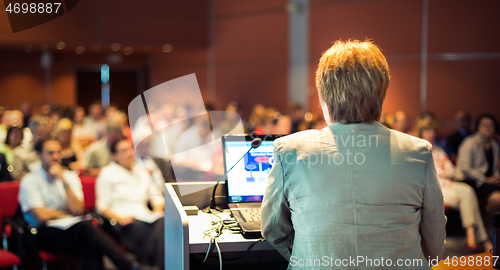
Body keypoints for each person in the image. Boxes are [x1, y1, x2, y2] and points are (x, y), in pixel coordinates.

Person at [261, 40, 446, 269]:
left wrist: (309, 257)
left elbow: (273, 229)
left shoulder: (289, 149)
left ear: (324, 98)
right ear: (382, 94)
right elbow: (435, 238)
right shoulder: (418, 151)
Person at [18, 139, 149, 270]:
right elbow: (40, 216)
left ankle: (130, 265)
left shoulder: (69, 177)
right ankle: (129, 265)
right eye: (50, 153)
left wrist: (63, 181)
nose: (56, 157)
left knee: (90, 246)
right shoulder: (30, 181)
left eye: (58, 152)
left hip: (72, 229)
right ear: (39, 155)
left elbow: (78, 210)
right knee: (85, 228)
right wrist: (66, 213)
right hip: (44, 234)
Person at [417, 118, 492, 251]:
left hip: (448, 183)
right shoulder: (418, 150)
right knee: (466, 197)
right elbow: (425, 173)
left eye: (433, 130)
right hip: (433, 187)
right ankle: (481, 239)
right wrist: (442, 173)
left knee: (468, 190)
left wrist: (442, 172)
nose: (430, 133)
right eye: (427, 130)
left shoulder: (438, 150)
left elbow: (451, 170)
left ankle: (471, 235)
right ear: (421, 133)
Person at [96, 138, 165, 269]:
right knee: (148, 231)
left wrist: (157, 209)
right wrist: (119, 218)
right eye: (124, 151)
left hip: (146, 216)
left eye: (130, 149)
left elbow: (156, 197)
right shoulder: (107, 173)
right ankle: (156, 265)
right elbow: (102, 206)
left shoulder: (141, 171)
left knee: (164, 222)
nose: (129, 153)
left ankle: (152, 265)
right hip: (123, 220)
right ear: (114, 156)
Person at [455, 114, 500, 235]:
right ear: (477, 127)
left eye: (490, 125)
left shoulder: (494, 145)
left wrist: (496, 178)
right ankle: (487, 228)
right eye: (484, 125)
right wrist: (485, 179)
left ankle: (491, 227)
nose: (487, 128)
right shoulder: (469, 143)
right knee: (497, 199)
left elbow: (494, 168)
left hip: (487, 181)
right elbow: (465, 169)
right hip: (470, 180)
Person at [12, 115, 50, 180]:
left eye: (45, 134)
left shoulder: (52, 151)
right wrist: (40, 175)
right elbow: (17, 177)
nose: (43, 137)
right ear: (32, 132)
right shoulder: (20, 152)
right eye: (40, 133)